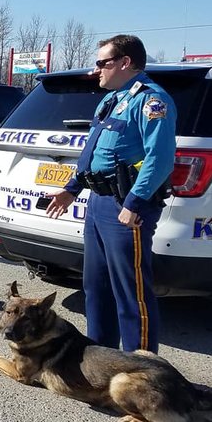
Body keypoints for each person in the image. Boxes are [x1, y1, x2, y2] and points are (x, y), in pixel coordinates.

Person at [46, 35, 176, 353]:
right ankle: (101, 362)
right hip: (99, 202)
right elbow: (94, 152)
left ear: (125, 62)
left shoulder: (151, 101)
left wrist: (135, 202)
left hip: (126, 207)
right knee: (97, 288)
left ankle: (141, 371)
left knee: (131, 294)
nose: (96, 70)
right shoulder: (112, 100)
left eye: (103, 63)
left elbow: (159, 158)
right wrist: (71, 190)